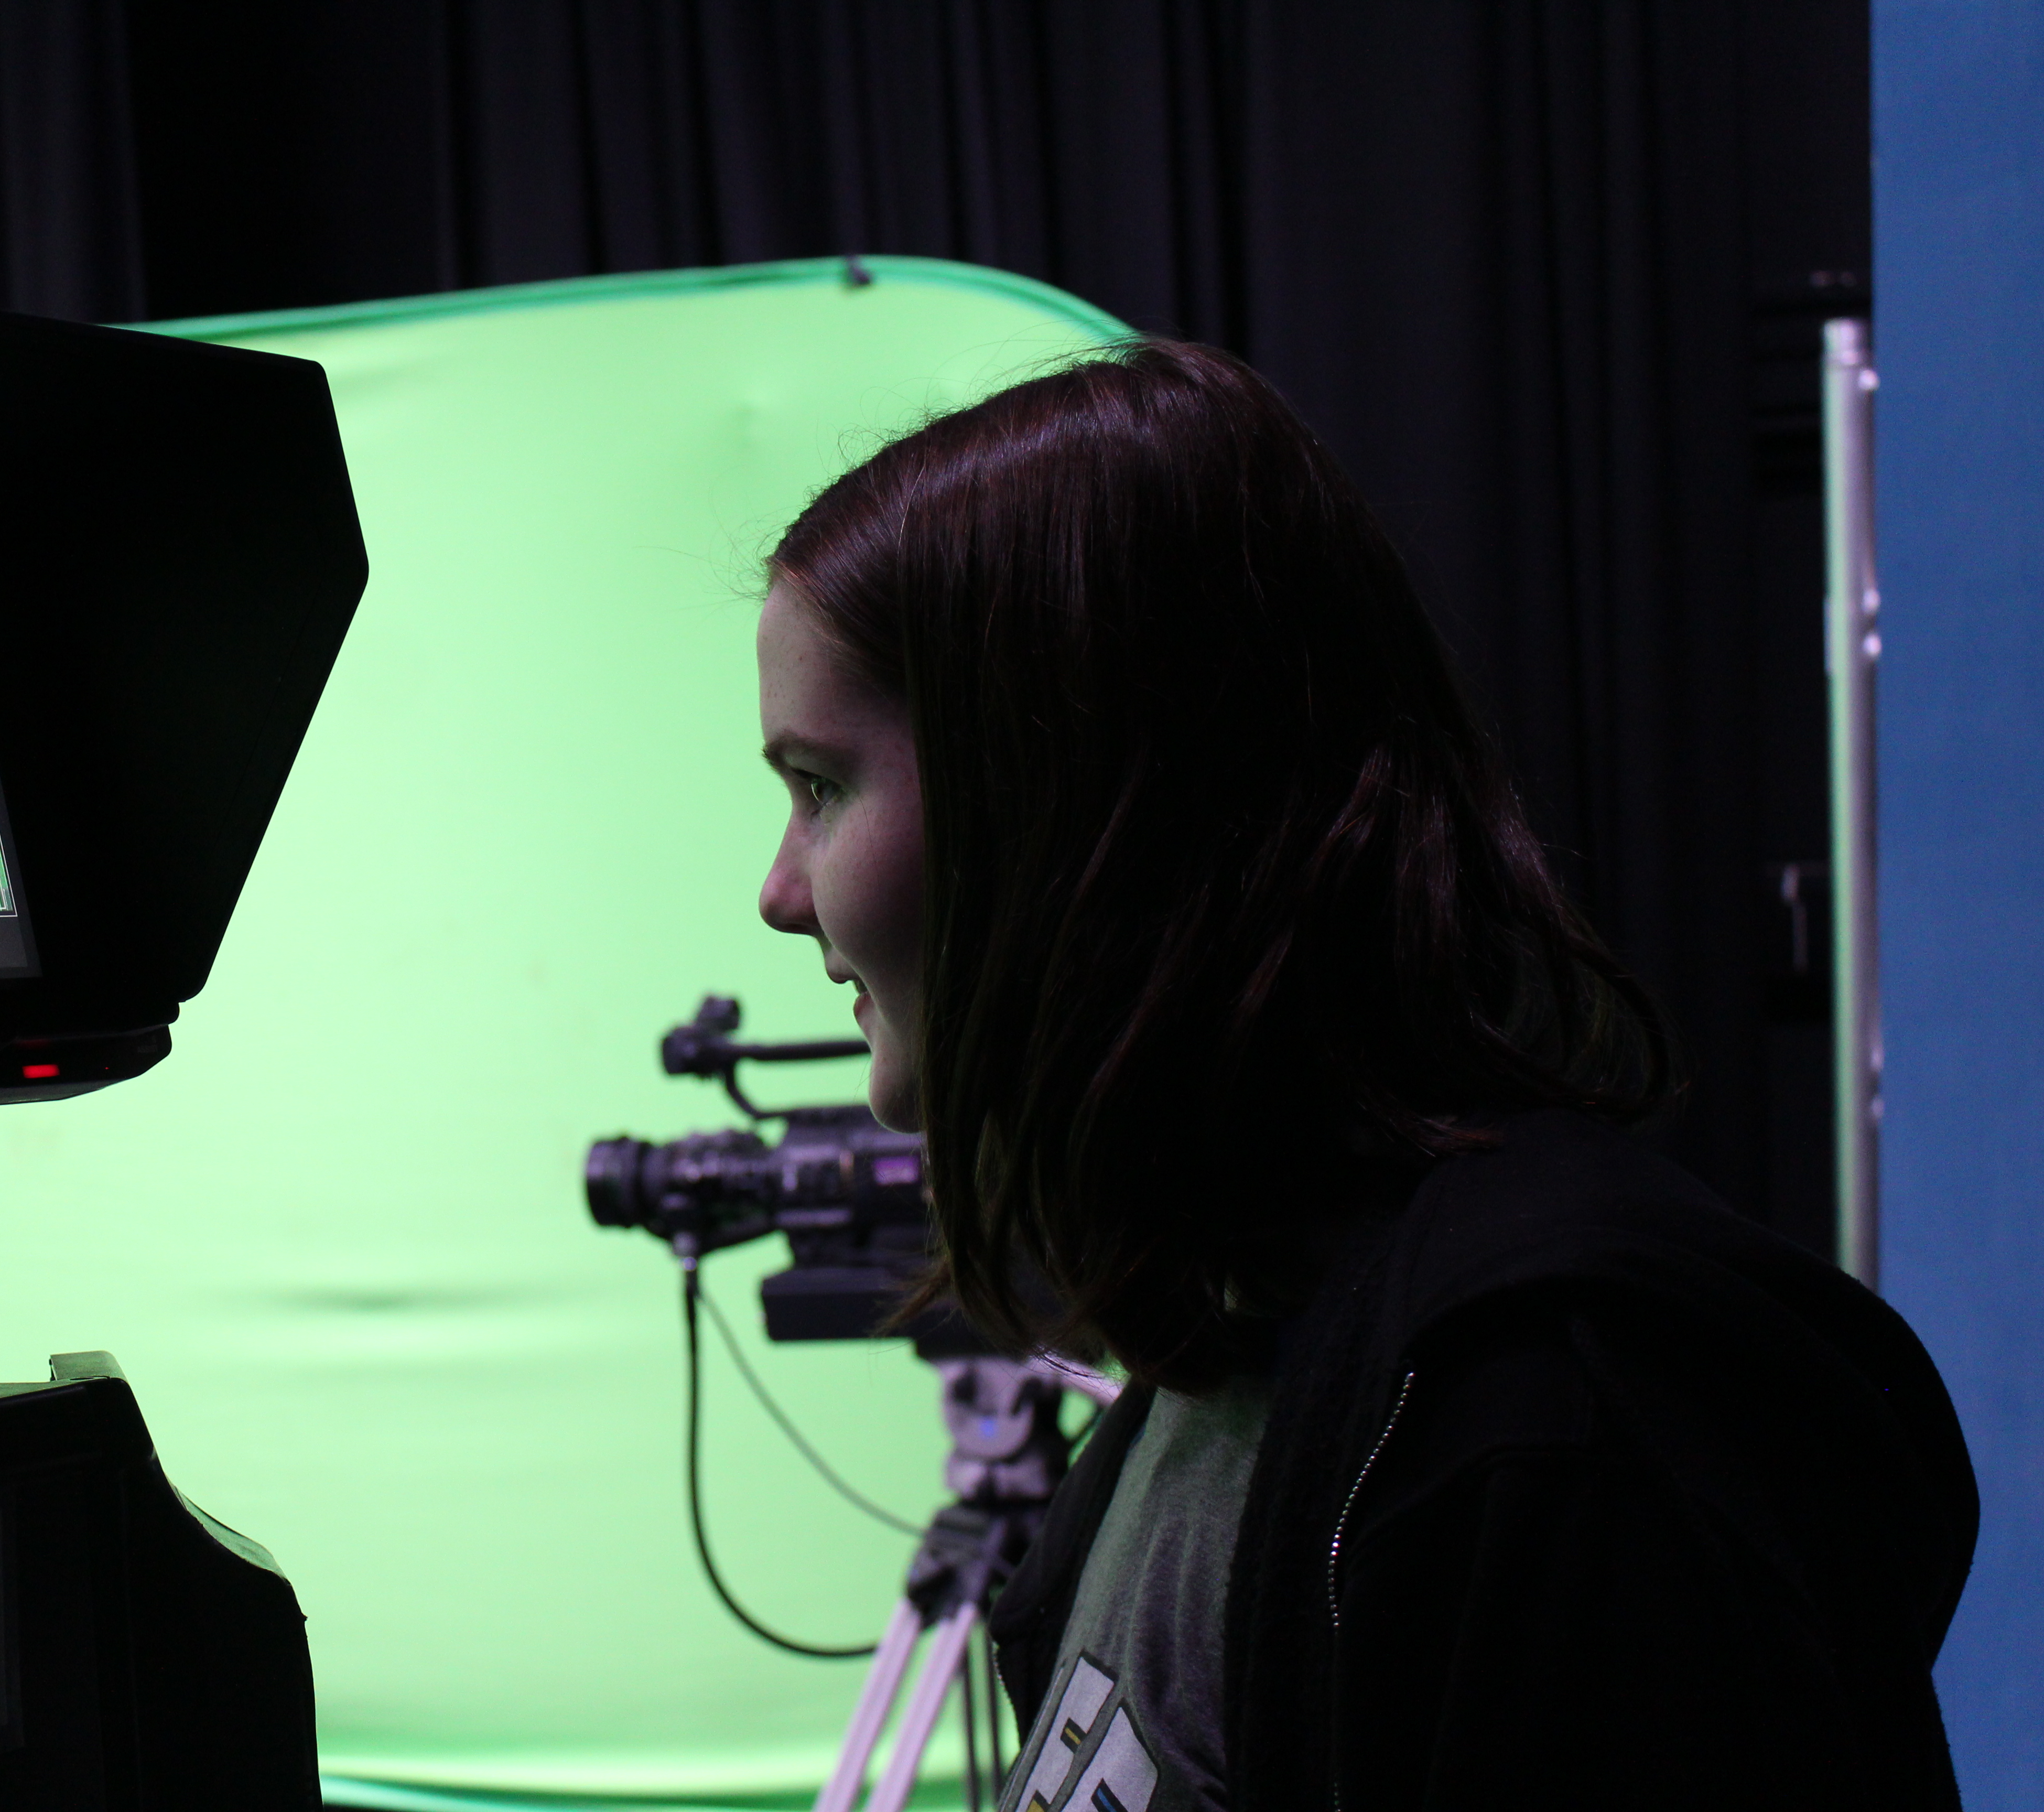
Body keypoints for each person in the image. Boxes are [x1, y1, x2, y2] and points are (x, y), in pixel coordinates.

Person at [752, 342, 1974, 1810]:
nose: (779, 891)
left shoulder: (1557, 1425)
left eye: (820, 787)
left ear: (1067, 800)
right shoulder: (1240, 1351)